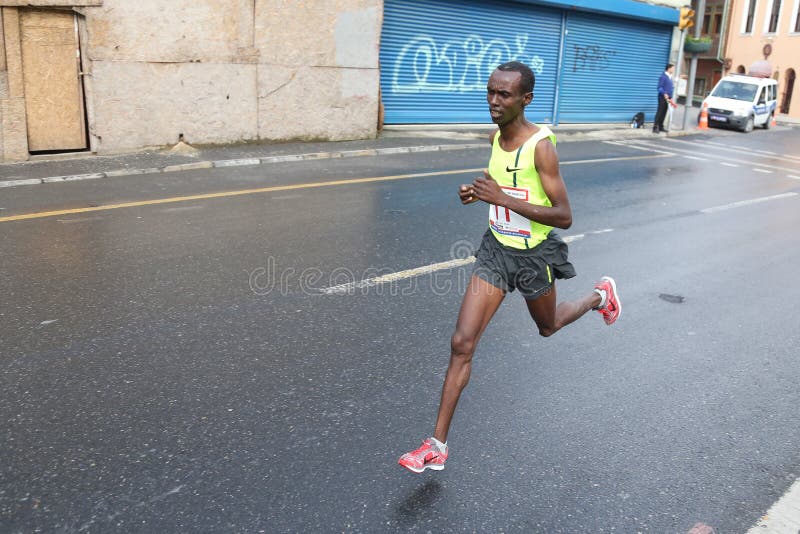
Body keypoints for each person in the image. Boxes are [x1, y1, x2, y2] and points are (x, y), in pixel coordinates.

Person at [398, 61, 621, 474]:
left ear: (525, 99)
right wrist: (477, 193)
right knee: (462, 343)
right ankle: (436, 446)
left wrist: (503, 200)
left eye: (504, 95)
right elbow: (498, 182)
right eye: (490, 92)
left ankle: (598, 296)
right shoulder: (494, 138)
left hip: (534, 258)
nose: (494, 102)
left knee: (548, 325)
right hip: (496, 251)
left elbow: (564, 215)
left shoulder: (541, 146)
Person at [653, 63, 676, 133]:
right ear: (669, 68)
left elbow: (670, 88)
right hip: (662, 97)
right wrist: (664, 93)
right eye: (673, 68)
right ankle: (655, 127)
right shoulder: (663, 76)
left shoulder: (670, 77)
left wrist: (671, 97)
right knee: (660, 112)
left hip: (668, 98)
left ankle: (661, 127)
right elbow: (659, 87)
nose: (674, 69)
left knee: (664, 112)